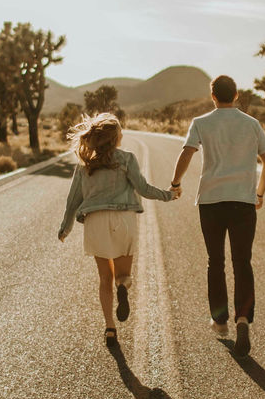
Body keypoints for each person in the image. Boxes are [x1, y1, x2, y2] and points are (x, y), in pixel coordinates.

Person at [169, 75, 265, 357]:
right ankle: (243, 317)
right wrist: (259, 194)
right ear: (236, 94)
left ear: (212, 95)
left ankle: (220, 321)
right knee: (243, 261)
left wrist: (176, 183)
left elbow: (187, 153)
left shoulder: (201, 123)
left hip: (211, 202)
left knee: (215, 261)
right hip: (243, 202)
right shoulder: (251, 124)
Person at [59, 113, 178, 347]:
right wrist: (168, 195)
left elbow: (73, 199)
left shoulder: (85, 164)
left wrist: (66, 227)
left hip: (95, 221)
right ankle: (123, 288)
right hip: (124, 219)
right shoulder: (126, 158)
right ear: (115, 138)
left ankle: (110, 328)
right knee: (123, 276)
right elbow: (142, 188)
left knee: (104, 278)